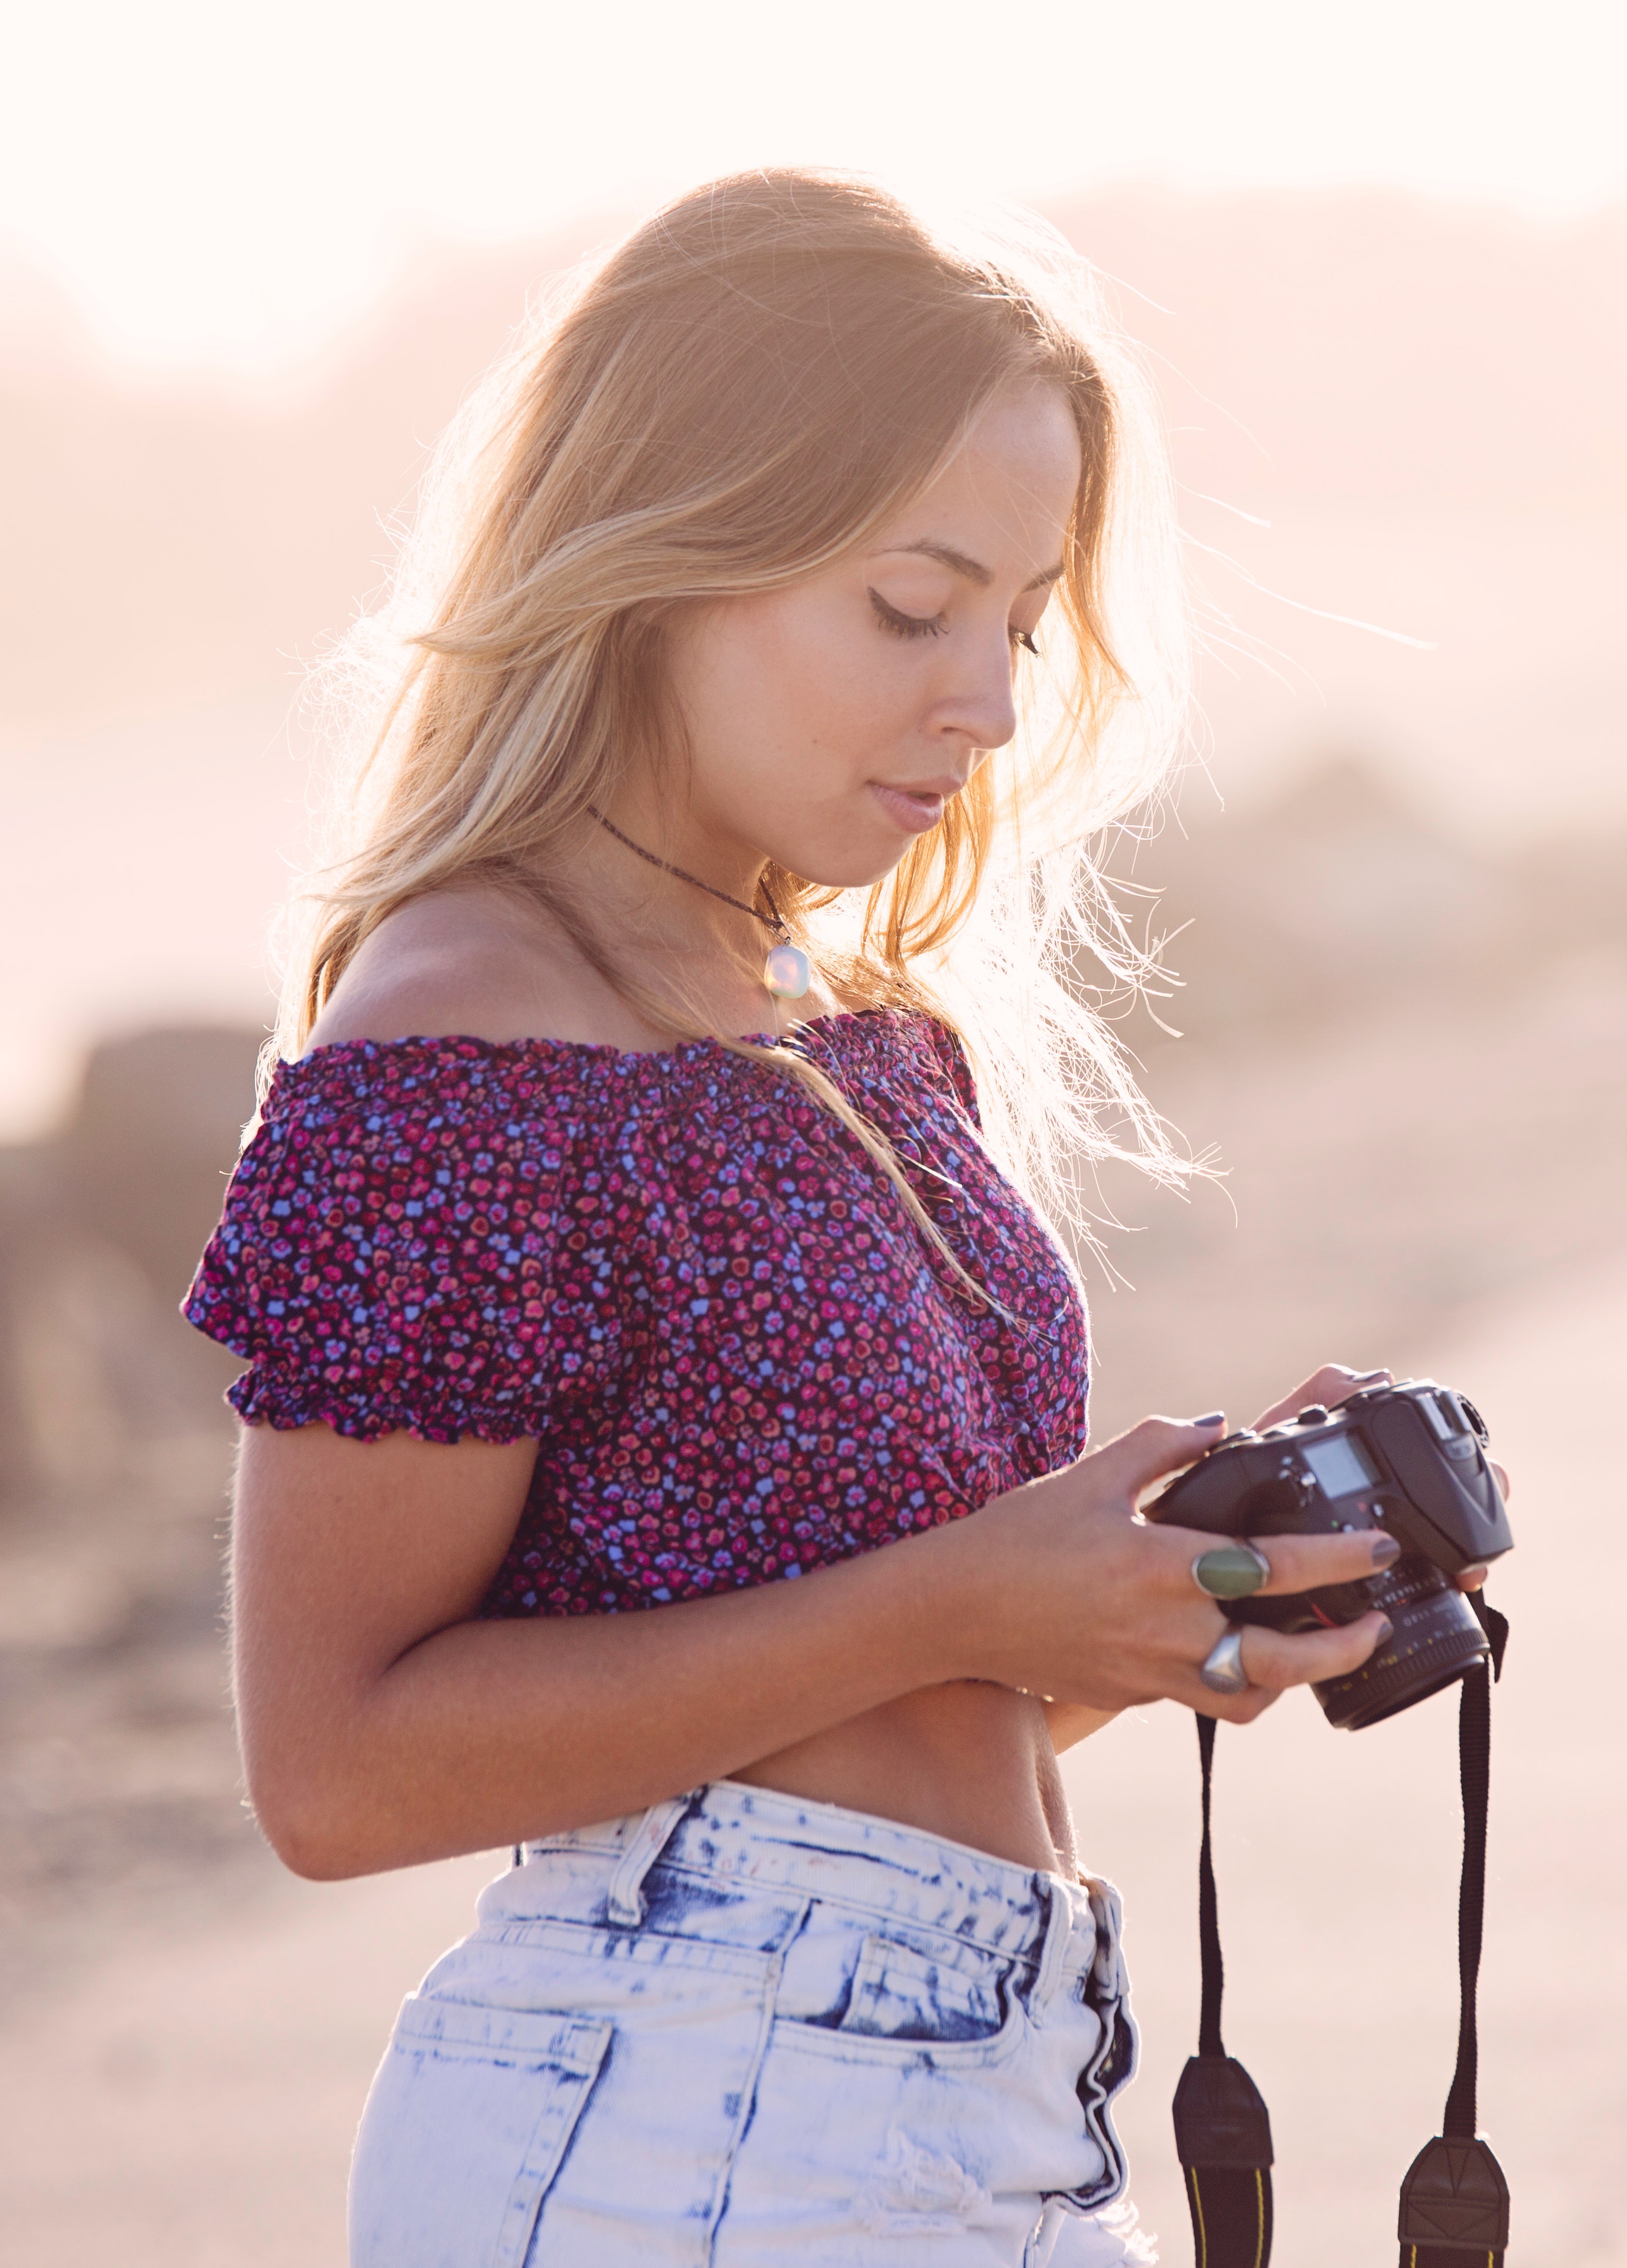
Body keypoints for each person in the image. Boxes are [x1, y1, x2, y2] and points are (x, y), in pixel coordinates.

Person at [184, 170, 1411, 2266]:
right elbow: (335, 1771)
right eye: (910, 608)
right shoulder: (469, 1040)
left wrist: (1149, 1615)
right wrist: (957, 1604)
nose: (991, 705)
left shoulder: (841, 1023)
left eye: (1018, 626)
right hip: (686, 2123)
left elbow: (874, 1695)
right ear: (668, 552)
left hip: (973, 2102)